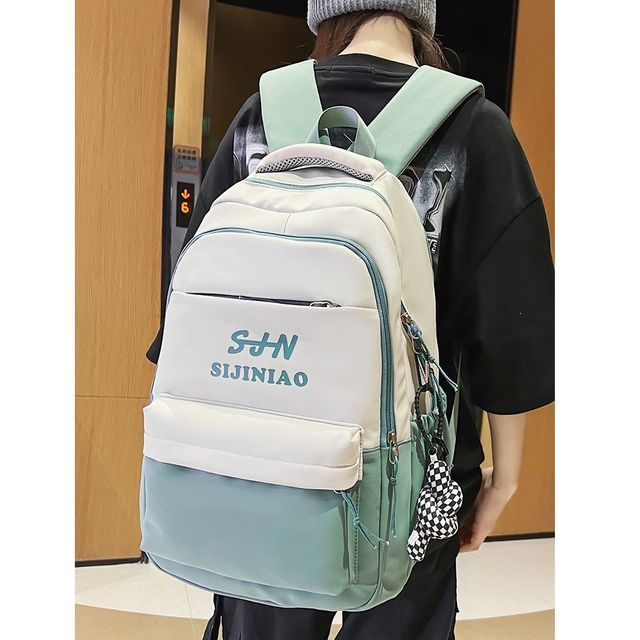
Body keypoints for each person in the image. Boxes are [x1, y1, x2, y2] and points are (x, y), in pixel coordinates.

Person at [146, 1, 555, 638]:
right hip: (413, 489)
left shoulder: (260, 116)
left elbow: (190, 310)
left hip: (260, 469)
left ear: (322, 13)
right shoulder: (476, 127)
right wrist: (504, 480)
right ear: (421, 13)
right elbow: (512, 332)